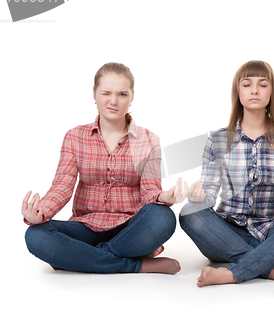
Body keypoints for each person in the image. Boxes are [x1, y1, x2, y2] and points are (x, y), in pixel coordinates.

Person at [22, 62, 187, 274]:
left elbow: (149, 191)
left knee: (163, 217)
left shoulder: (149, 140)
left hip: (131, 228)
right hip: (85, 226)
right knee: (36, 235)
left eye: (122, 94)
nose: (113, 101)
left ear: (132, 97)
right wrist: (40, 212)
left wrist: (164, 197)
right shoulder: (75, 137)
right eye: (106, 93)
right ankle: (135, 265)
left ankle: (78, 257)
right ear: (94, 94)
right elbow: (62, 186)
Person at [180, 60, 274, 287]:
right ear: (238, 92)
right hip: (225, 233)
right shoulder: (218, 140)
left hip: (272, 233)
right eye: (247, 84)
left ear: (271, 93)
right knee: (190, 212)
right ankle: (273, 270)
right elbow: (208, 195)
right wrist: (198, 197)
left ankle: (232, 273)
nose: (255, 90)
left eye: (262, 84)